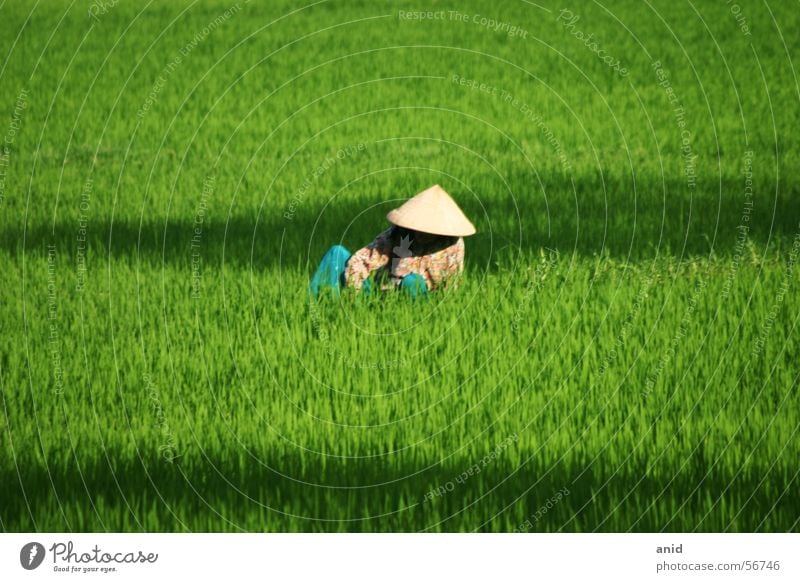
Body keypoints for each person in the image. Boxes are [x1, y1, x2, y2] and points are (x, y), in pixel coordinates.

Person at [310, 184, 476, 298]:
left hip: (420, 300)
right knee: (336, 253)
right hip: (385, 295)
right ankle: (321, 304)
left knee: (413, 282)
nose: (421, 233)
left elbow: (449, 290)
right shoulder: (398, 234)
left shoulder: (452, 244)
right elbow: (363, 260)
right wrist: (353, 293)